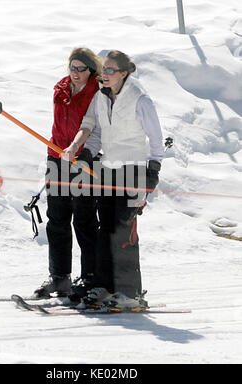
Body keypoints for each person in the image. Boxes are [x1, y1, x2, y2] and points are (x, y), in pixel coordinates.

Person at [67, 50, 164, 309]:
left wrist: (152, 170)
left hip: (132, 170)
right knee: (105, 230)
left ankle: (131, 292)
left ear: (123, 73)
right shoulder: (100, 97)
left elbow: (155, 140)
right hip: (108, 170)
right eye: (104, 70)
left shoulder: (140, 100)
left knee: (125, 230)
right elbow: (98, 132)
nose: (105, 75)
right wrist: (87, 153)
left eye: (110, 70)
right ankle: (105, 286)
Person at [33, 48, 102, 299]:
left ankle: (90, 278)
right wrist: (59, 151)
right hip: (56, 155)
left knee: (83, 220)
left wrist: (80, 152)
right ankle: (59, 277)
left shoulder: (97, 92)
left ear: (91, 70)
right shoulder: (61, 88)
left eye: (81, 68)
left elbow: (96, 128)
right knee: (57, 218)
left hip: (83, 160)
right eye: (72, 67)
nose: (75, 73)